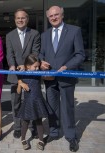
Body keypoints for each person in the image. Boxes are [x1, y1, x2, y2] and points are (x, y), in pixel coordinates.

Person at [39, 6, 85, 152]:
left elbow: (80, 55)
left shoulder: (74, 31)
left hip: (67, 77)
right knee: (52, 108)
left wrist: (67, 66)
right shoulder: (45, 35)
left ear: (62, 15)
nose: (53, 17)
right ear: (48, 18)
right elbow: (41, 54)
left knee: (67, 108)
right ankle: (53, 132)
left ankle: (71, 136)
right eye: (51, 16)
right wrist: (41, 62)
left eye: (56, 15)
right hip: (50, 78)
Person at [6, 8, 40, 139]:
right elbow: (10, 54)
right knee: (16, 103)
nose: (20, 20)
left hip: (30, 74)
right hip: (15, 75)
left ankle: (33, 127)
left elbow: (35, 52)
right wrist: (12, 65)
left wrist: (25, 66)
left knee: (31, 102)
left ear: (27, 19)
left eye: (23, 18)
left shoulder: (35, 33)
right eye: (18, 18)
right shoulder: (9, 35)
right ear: (15, 20)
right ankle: (17, 127)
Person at [17, 54, 51, 150]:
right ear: (28, 66)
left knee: (39, 121)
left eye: (37, 66)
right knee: (25, 121)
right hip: (28, 102)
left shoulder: (38, 73)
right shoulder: (22, 74)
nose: (36, 69)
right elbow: (18, 91)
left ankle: (41, 140)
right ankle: (23, 139)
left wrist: (46, 69)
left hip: (38, 100)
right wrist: (21, 84)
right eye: (35, 66)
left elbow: (50, 77)